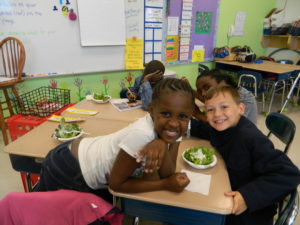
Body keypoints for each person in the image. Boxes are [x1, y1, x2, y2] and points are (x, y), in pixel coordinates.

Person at [35, 78, 194, 201]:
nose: (174, 123)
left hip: (82, 154)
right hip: (69, 168)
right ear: (152, 110)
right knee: (45, 214)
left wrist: (164, 142)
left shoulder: (174, 129)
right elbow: (117, 185)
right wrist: (165, 185)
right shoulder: (143, 135)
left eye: (182, 116)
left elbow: (168, 171)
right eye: (166, 114)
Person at [189, 85, 300, 225]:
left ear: (241, 109)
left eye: (224, 107)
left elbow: (289, 174)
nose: (217, 114)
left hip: (248, 214)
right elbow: (206, 129)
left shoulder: (250, 138)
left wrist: (247, 197)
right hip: (228, 192)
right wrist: (180, 123)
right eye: (210, 110)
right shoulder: (223, 126)